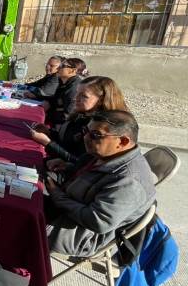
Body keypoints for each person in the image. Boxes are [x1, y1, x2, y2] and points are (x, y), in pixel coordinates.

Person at [45, 110, 156, 257]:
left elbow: (97, 221)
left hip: (77, 235)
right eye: (86, 131)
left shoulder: (129, 182)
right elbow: (93, 174)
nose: (86, 138)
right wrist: (69, 166)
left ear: (122, 142)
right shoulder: (108, 154)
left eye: (96, 135)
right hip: (66, 208)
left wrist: (56, 195)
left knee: (15, 219)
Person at [30, 76, 129, 163]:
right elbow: (68, 141)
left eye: (84, 96)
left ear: (101, 100)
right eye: (77, 93)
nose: (75, 98)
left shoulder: (99, 128)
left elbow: (80, 163)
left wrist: (47, 143)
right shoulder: (81, 115)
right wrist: (49, 132)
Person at [41, 57, 87, 126]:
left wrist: (48, 114)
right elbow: (56, 98)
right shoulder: (64, 82)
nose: (58, 68)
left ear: (73, 70)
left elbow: (68, 116)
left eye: (62, 66)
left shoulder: (74, 88)